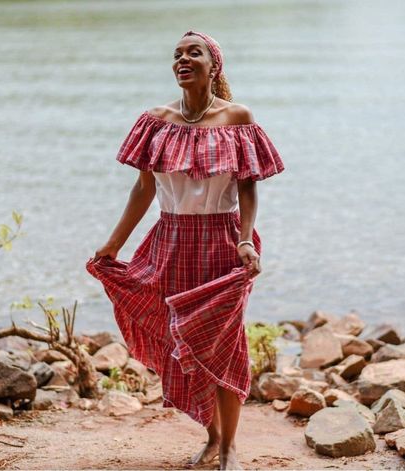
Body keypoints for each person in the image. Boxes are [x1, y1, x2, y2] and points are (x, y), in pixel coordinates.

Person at [86, 30, 285, 470]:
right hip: (169, 244)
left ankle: (231, 446)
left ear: (214, 65)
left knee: (225, 345)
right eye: (177, 54)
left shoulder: (237, 117)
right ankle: (213, 436)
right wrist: (113, 244)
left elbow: (248, 188)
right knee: (185, 346)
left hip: (223, 243)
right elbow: (142, 190)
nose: (183, 59)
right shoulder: (155, 121)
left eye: (194, 52)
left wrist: (247, 239)